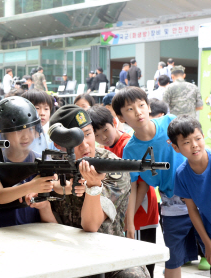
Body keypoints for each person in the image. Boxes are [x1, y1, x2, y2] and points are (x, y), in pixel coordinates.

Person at [47, 104, 149, 278]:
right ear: (59, 145)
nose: (85, 144)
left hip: (109, 255)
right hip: (65, 255)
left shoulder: (112, 167)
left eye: (88, 134)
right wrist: (54, 186)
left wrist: (93, 187)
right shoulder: (52, 167)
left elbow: (91, 225)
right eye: (75, 140)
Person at [113, 87, 196, 278]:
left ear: (149, 107)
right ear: (121, 118)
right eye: (130, 109)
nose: (138, 112)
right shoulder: (130, 150)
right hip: (171, 203)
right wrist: (130, 222)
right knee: (172, 258)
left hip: (199, 193)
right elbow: (133, 186)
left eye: (141, 105)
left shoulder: (170, 124)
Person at [88, 105, 159, 277]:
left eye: (105, 130)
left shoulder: (127, 145)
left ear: (115, 122)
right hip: (125, 214)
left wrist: (129, 220)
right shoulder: (105, 151)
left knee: (143, 260)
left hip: (140, 212)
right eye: (96, 135)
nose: (103, 137)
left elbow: (141, 184)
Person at [168, 116, 211, 278]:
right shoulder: (182, 175)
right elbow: (192, 211)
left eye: (198, 138)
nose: (194, 145)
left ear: (203, 137)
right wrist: (207, 243)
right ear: (176, 147)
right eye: (186, 142)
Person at [0, 96, 57, 228]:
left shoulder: (43, 161)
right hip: (2, 232)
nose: (26, 136)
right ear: (3, 133)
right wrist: (32, 186)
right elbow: (0, 195)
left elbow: (57, 185)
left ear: (37, 132)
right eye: (18, 130)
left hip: (34, 231)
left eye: (30, 129)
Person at [22, 89, 56, 154]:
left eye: (46, 109)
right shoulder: (18, 139)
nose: (42, 113)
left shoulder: (51, 138)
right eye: (37, 108)